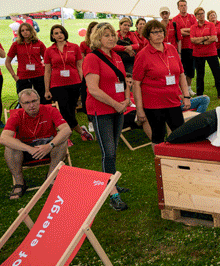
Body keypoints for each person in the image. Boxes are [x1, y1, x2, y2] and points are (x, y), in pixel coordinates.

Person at [83, 22, 130, 211]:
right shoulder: (92, 58)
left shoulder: (117, 56)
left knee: (113, 149)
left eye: (112, 35)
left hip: (118, 109)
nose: (111, 38)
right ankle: (113, 195)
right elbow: (93, 89)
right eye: (106, 35)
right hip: (101, 111)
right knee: (108, 152)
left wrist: (126, 99)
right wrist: (117, 104)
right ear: (97, 38)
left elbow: (124, 79)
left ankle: (112, 183)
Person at [0, 89, 72, 200]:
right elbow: (3, 137)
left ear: (39, 100)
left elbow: (66, 130)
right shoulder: (17, 115)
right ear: (21, 104)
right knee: (10, 147)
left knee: (62, 141)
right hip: (26, 150)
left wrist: (49, 146)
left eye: (34, 101)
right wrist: (28, 148)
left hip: (48, 146)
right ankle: (20, 183)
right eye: (27, 103)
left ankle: (51, 177)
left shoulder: (50, 110)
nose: (32, 105)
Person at [133, 20, 192, 145]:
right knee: (158, 137)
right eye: (154, 32)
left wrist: (186, 96)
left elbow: (181, 74)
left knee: (180, 134)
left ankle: (177, 160)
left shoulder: (171, 49)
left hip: (173, 100)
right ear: (148, 36)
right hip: (154, 104)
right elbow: (136, 83)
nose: (159, 34)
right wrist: (139, 109)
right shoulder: (142, 55)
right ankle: (159, 161)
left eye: (160, 31)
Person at [43, 24, 92, 141]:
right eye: (56, 33)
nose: (59, 35)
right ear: (52, 36)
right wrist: (46, 90)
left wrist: (82, 83)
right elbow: (47, 71)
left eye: (61, 32)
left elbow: (80, 66)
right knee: (64, 110)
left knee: (71, 109)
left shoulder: (74, 47)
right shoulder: (49, 50)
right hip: (57, 84)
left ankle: (67, 134)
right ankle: (80, 131)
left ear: (64, 33)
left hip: (74, 82)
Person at [190, 7, 220, 99]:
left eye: (202, 13)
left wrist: (200, 41)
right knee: (200, 75)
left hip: (211, 53)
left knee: (217, 73)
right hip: (198, 54)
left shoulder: (210, 24)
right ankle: (199, 94)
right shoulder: (193, 27)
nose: (201, 15)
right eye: (199, 14)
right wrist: (205, 38)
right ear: (196, 16)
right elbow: (192, 40)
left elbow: (213, 38)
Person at [5, 22, 47, 104]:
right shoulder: (16, 44)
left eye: (27, 30)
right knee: (25, 100)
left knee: (42, 99)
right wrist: (14, 76)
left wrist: (46, 72)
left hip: (39, 75)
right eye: (22, 30)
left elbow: (48, 60)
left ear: (31, 31)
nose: (25, 32)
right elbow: (7, 62)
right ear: (20, 33)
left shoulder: (39, 43)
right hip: (23, 76)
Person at [172, 0, 197, 94]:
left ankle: (189, 88)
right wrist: (188, 31)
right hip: (180, 48)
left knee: (191, 68)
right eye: (181, 5)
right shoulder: (175, 19)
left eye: (185, 5)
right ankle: (182, 89)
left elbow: (194, 30)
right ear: (178, 7)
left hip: (191, 46)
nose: (183, 7)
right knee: (181, 69)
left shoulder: (192, 17)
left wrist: (183, 31)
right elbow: (177, 32)